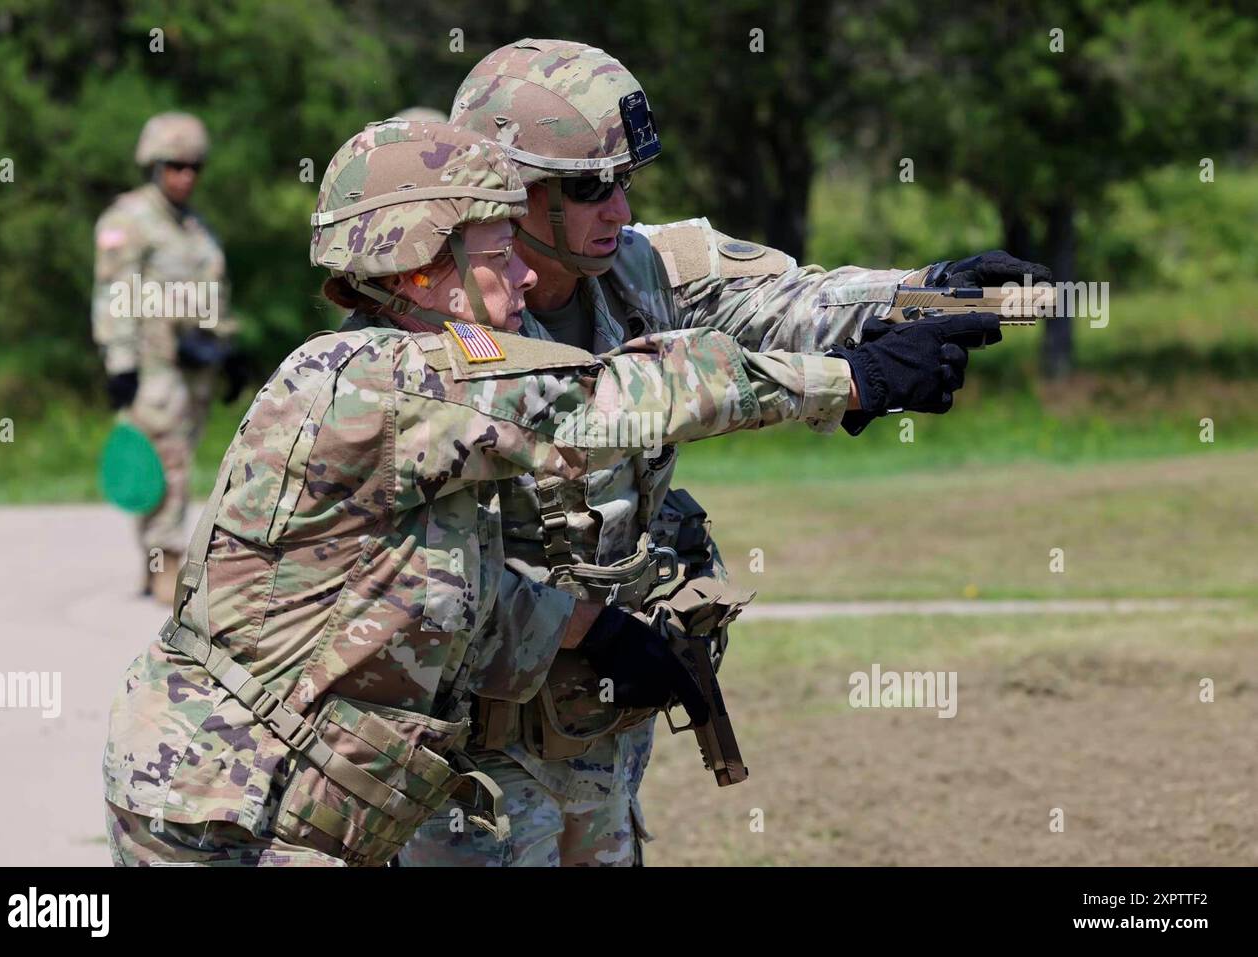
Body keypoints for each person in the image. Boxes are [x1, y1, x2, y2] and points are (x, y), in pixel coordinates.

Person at [100, 119, 971, 866]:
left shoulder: (421, 392)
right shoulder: (383, 377)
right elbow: (602, 397)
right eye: (495, 256)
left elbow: (431, 588)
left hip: (285, 800)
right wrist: (849, 379)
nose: (524, 278)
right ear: (417, 274)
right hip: (223, 808)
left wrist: (595, 628)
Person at [398, 38, 1046, 867]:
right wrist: (849, 382)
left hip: (595, 729)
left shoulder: (633, 269)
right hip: (468, 758)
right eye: (590, 187)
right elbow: (589, 410)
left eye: (626, 181)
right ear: (507, 190)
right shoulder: (428, 321)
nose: (620, 210)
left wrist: (928, 291)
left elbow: (784, 297)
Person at [91, 112, 248, 603]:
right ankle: (166, 564)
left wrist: (230, 350)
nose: (186, 176)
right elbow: (113, 293)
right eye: (175, 166)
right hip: (153, 365)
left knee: (178, 460)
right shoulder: (129, 220)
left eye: (194, 167)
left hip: (196, 364)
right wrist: (120, 364)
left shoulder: (195, 227)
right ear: (154, 166)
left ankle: (154, 561)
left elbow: (211, 295)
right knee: (167, 463)